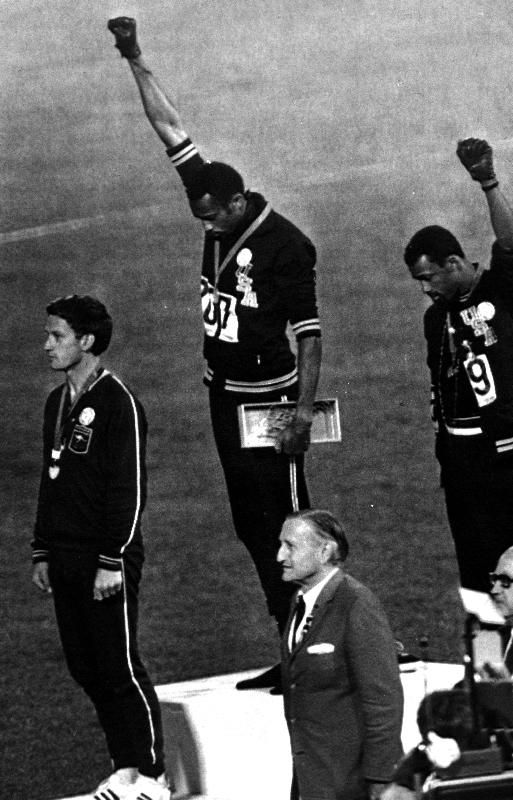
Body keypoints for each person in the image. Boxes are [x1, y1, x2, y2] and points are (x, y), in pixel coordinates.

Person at [107, 18, 322, 689]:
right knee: (253, 527)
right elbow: (169, 127)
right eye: (199, 214)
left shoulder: (287, 245)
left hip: (270, 402)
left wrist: (303, 415)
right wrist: (135, 57)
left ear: (238, 201)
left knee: (291, 526)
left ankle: (320, 652)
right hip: (223, 396)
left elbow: (309, 335)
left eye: (213, 216)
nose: (204, 223)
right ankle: (291, 654)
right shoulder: (209, 195)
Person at [32, 295, 170, 800]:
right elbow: (51, 482)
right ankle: (125, 767)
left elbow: (129, 489)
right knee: (85, 667)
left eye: (57, 336)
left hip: (105, 559)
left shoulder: (119, 402)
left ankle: (154, 775)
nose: (47, 345)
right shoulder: (56, 402)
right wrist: (41, 548)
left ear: (86, 341)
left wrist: (113, 559)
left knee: (119, 665)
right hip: (64, 557)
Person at [404, 138, 513, 593]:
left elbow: (509, 241)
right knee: (474, 570)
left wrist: (487, 182)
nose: (426, 289)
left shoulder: (500, 289)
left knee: (511, 564)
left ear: (453, 263)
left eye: (429, 277)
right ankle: (486, 661)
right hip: (460, 462)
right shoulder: (436, 318)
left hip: (504, 458)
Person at [277, 509, 404, 800]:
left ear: (324, 551)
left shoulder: (356, 604)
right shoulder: (299, 603)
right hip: (314, 781)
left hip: (353, 785)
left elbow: (383, 700)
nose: (279, 556)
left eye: (290, 546)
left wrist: (380, 779)